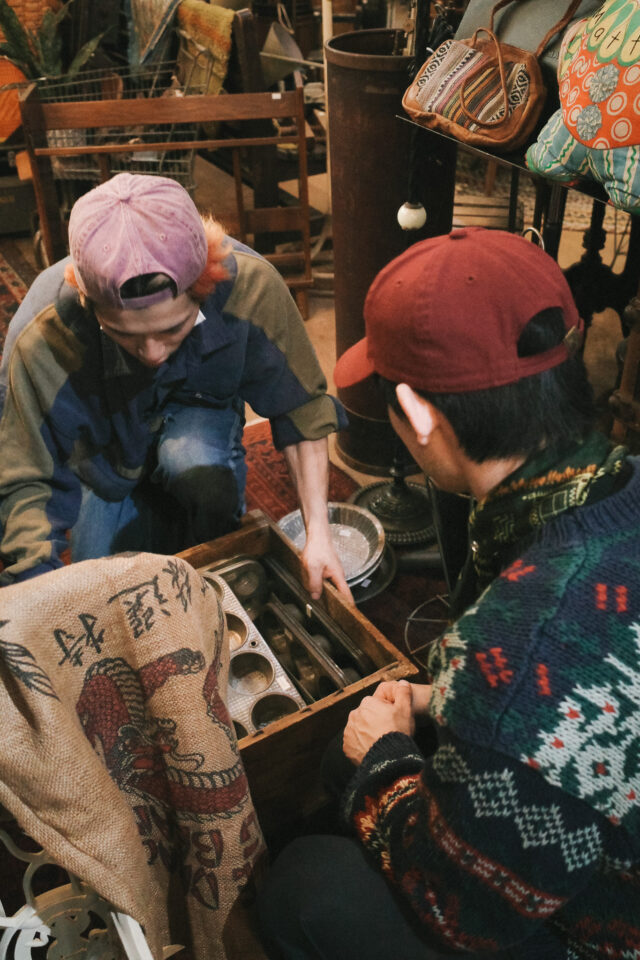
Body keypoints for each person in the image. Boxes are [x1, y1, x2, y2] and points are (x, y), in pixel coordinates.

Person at [257, 227, 640, 959]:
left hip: (606, 931)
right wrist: (455, 701)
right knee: (344, 765)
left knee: (303, 883)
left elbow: (468, 911)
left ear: (419, 413)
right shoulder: (619, 483)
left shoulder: (520, 638)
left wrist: (385, 762)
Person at [0, 172, 350, 598]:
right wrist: (35, 594)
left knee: (204, 492)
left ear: (205, 284)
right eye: (124, 334)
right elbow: (26, 476)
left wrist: (319, 535)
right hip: (106, 450)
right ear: (87, 302)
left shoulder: (251, 287)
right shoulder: (43, 335)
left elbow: (302, 410)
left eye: (172, 329)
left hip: (200, 414)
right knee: (101, 587)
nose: (152, 353)